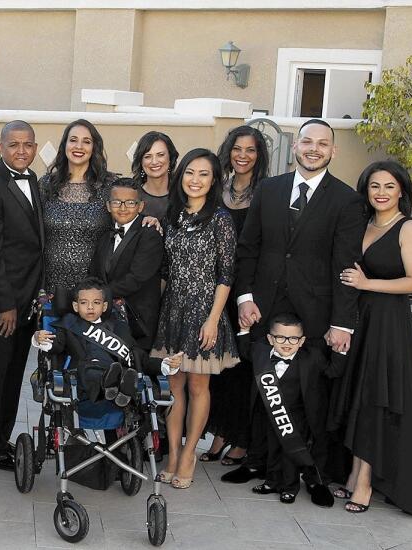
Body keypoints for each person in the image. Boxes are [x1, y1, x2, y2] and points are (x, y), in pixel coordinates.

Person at [225, 119, 363, 485]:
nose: (313, 149)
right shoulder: (269, 190)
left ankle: (310, 468)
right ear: (295, 147)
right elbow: (249, 248)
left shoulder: (347, 200)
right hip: (264, 307)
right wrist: (244, 298)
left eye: (322, 143)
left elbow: (345, 265)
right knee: (260, 387)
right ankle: (257, 461)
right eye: (307, 142)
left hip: (315, 313)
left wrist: (341, 323)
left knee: (309, 395)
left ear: (333, 151)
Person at [331, 160, 412, 516]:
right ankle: (356, 470)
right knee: (358, 394)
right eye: (375, 186)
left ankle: (366, 483)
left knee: (375, 399)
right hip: (360, 319)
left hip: (388, 325)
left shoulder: (409, 228)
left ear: (401, 189)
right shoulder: (364, 223)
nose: (382, 192)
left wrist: (367, 283)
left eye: (389, 186)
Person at [152, 148, 239, 489]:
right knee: (173, 386)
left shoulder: (220, 218)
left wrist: (213, 320)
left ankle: (189, 453)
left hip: (205, 311)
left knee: (198, 384)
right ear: (181, 176)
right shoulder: (172, 215)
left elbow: (226, 274)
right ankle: (172, 453)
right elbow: (164, 270)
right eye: (190, 172)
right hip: (172, 310)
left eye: (204, 174)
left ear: (215, 179)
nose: (195, 180)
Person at [0, 120, 44, 471]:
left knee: (14, 374)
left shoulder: (34, 181)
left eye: (27, 144)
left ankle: (1, 437)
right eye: (13, 144)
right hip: (1, 305)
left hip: (27, 299)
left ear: (34, 147)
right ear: (0, 147)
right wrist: (6, 304)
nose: (21, 150)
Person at [200, 126, 269, 467]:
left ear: (260, 155)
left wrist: (249, 295)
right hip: (216, 291)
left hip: (247, 292)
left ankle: (241, 440)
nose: (243, 155)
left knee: (242, 367)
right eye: (237, 149)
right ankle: (220, 435)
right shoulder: (217, 190)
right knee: (219, 368)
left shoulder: (267, 193)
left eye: (251, 150)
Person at [31, 278, 183, 407]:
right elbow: (55, 345)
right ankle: (113, 384)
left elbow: (137, 356)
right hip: (82, 381)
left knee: (125, 372)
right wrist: (39, 338)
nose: (90, 307)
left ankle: (121, 388)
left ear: (104, 306)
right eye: (84, 303)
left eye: (96, 302)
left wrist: (165, 364)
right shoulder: (69, 324)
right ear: (76, 306)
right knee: (90, 370)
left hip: (115, 370)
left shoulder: (117, 326)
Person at [244, 314, 335, 508]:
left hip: (298, 416)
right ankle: (272, 481)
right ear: (270, 339)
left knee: (290, 451)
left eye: (293, 338)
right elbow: (245, 351)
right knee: (273, 449)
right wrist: (243, 330)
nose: (287, 343)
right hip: (271, 412)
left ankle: (289, 488)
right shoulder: (263, 355)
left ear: (301, 341)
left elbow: (332, 371)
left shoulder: (312, 358)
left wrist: (340, 350)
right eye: (280, 338)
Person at [40, 119, 119, 300]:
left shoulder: (109, 185)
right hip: (52, 288)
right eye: (73, 140)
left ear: (94, 148)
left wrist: (149, 219)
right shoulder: (46, 184)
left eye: (86, 141)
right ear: (65, 145)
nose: (79, 146)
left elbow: (128, 216)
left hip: (93, 290)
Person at [88, 178, 164, 351]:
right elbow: (94, 273)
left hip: (137, 322)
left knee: (135, 373)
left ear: (141, 206)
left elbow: (137, 278)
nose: (123, 208)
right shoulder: (105, 236)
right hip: (108, 321)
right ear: (108, 206)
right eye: (117, 202)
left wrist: (99, 296)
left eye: (130, 202)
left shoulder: (150, 234)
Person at [131, 131, 178, 221]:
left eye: (160, 155)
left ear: (170, 157)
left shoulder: (182, 194)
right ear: (141, 161)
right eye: (148, 156)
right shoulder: (131, 196)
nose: (154, 162)